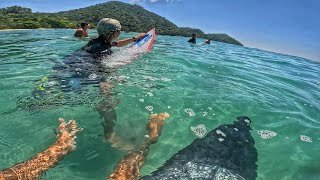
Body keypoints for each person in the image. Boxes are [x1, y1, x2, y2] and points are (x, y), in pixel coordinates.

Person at [81, 18, 146, 55]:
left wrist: (136, 38)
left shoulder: (95, 41)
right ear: (114, 32)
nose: (120, 32)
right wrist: (137, 53)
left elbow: (118, 43)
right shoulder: (105, 51)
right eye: (119, 30)